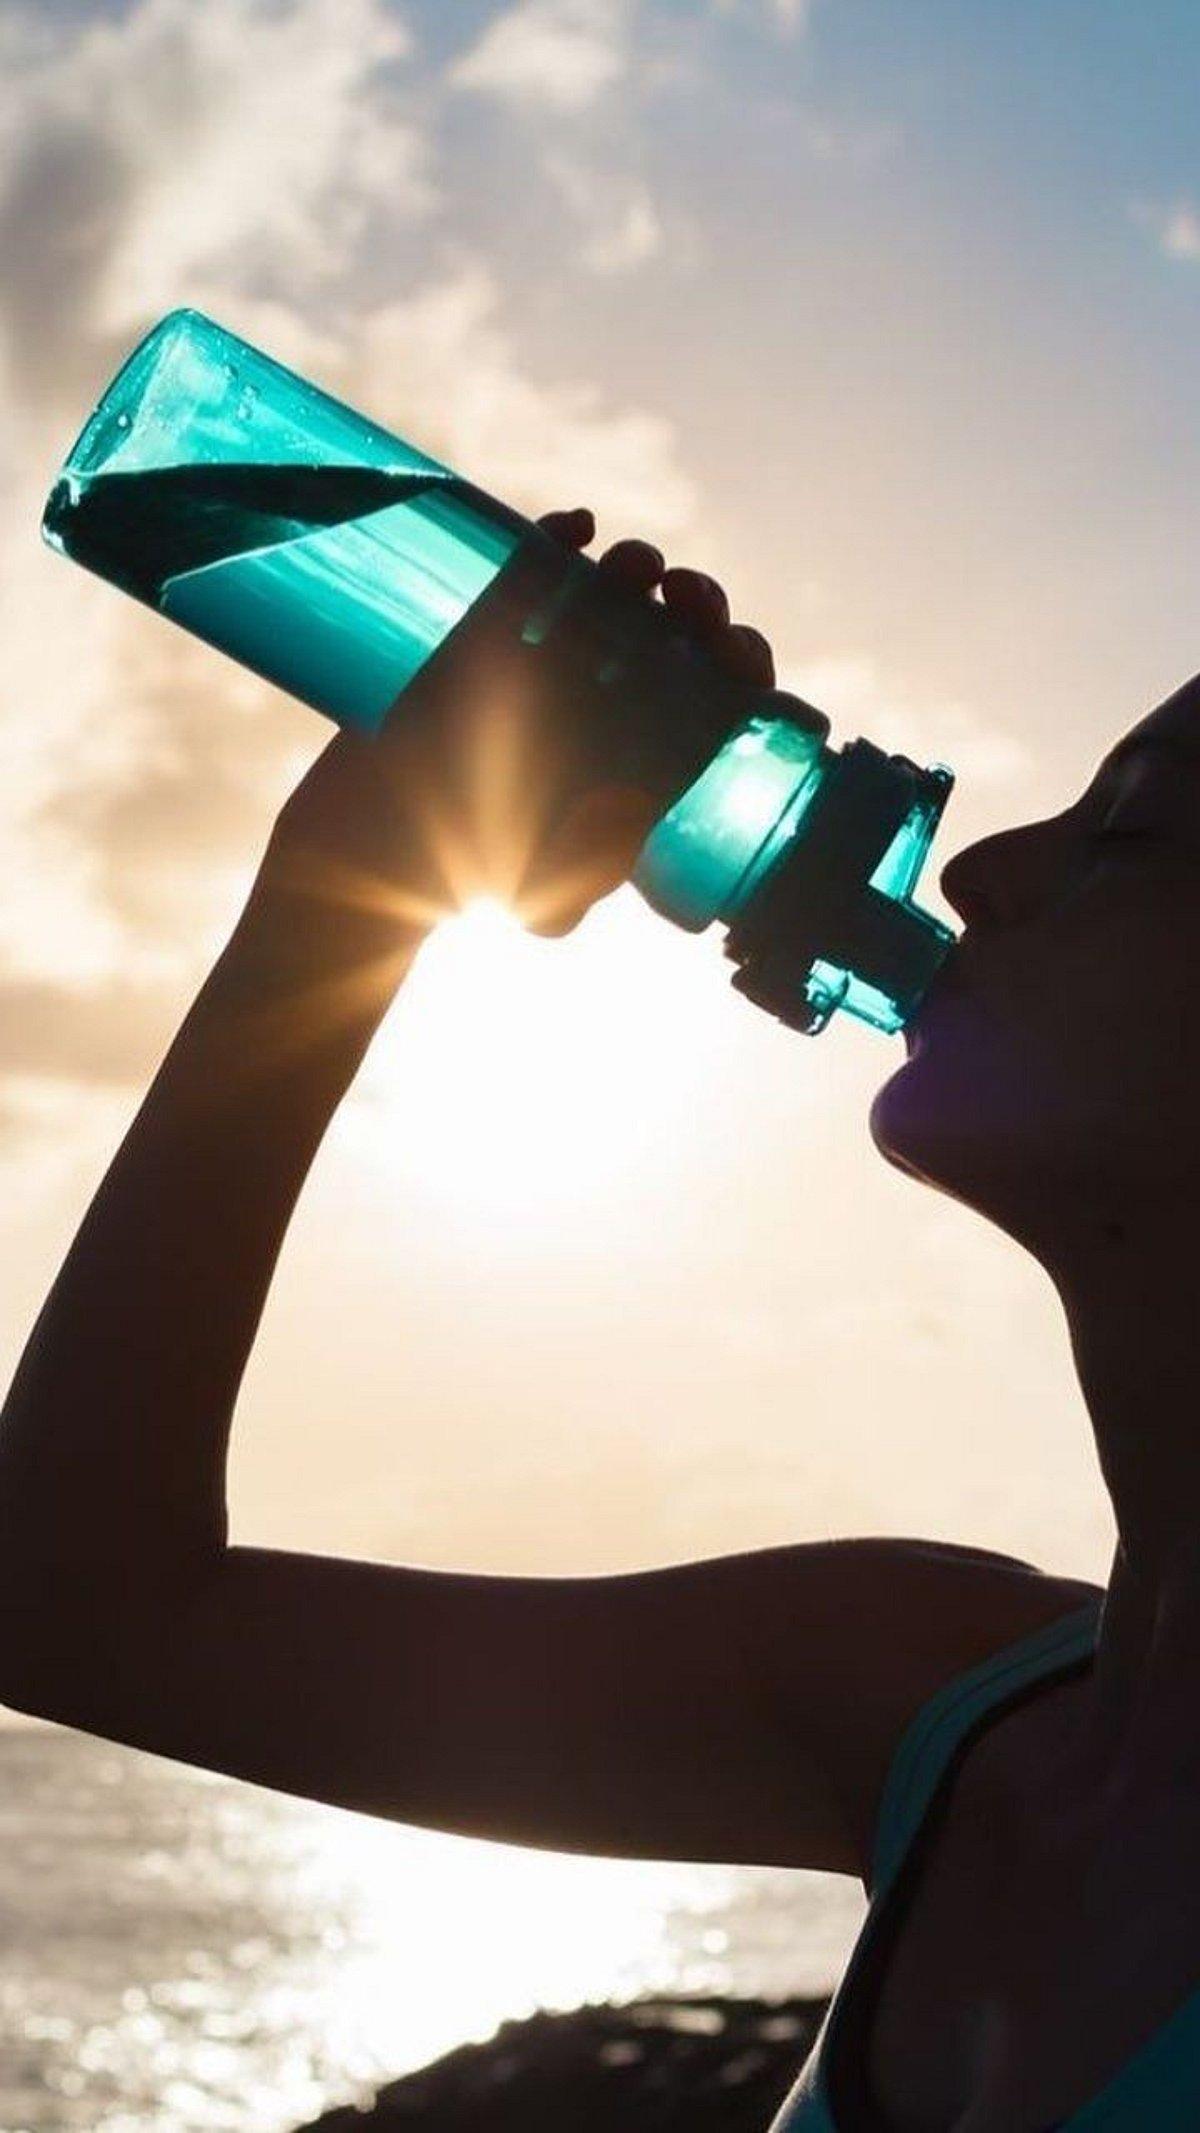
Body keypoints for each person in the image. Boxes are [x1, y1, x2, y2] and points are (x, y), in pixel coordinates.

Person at [0, 503, 1195, 2133]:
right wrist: (351, 898)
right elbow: (70, 1604)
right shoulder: (935, 1690)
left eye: (1133, 833)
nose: (984, 866)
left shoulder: (929, 1690)